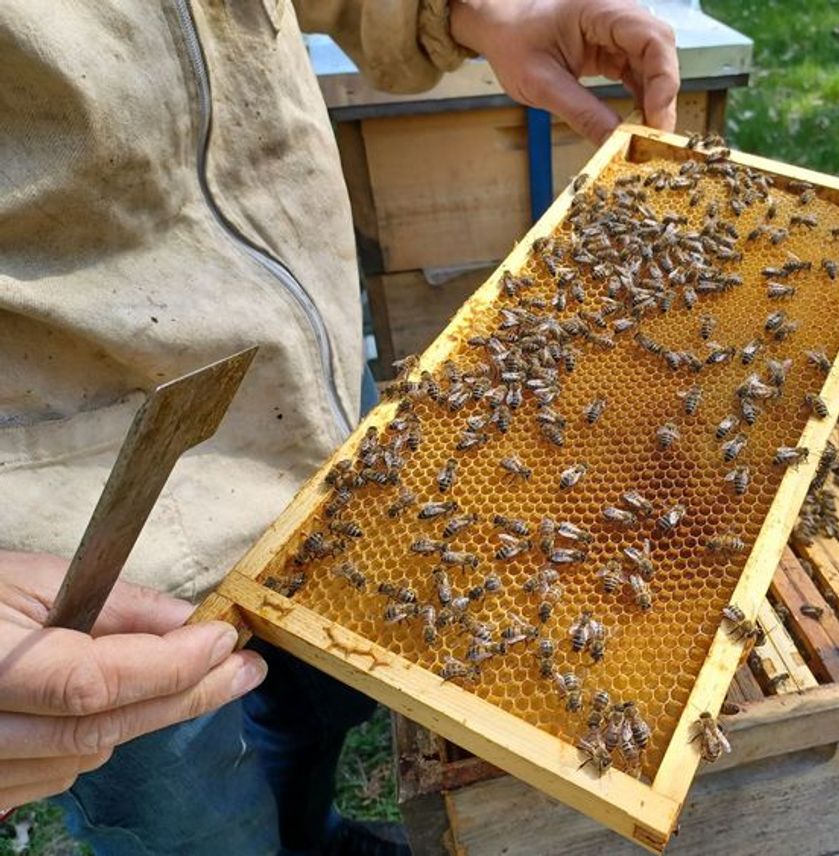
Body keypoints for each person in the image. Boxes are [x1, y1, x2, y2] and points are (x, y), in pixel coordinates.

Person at [0, 0, 679, 853]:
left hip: (313, 427)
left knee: (318, 712)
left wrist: (473, 12)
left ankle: (315, 835)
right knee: (193, 815)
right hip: (69, 540)